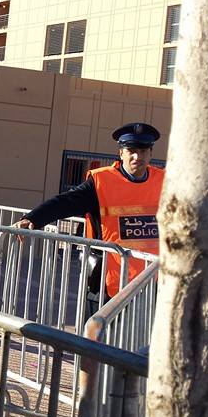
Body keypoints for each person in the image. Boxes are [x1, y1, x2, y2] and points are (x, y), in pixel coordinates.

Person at [13, 122, 164, 299]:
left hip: (153, 282)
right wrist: (33, 218)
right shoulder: (101, 181)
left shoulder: (164, 181)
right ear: (121, 153)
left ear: (151, 153)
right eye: (131, 151)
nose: (137, 156)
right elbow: (66, 202)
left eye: (143, 151)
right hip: (107, 283)